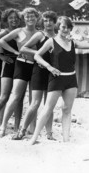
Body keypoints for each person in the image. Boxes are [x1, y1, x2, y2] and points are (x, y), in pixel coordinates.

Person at [29, 16, 89, 144]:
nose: (65, 30)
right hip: (56, 79)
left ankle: (66, 140)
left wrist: (82, 38)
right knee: (47, 109)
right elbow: (36, 55)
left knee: (67, 110)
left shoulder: (73, 42)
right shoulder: (51, 41)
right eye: (63, 27)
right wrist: (49, 67)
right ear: (58, 27)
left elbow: (87, 44)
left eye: (68, 27)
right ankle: (34, 138)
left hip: (71, 79)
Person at [12, 11, 58, 140]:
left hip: (52, 72)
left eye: (50, 20)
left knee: (49, 105)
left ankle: (49, 134)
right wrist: (38, 52)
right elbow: (23, 48)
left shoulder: (58, 37)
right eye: (45, 20)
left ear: (55, 22)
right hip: (38, 70)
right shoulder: (40, 35)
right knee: (35, 103)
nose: (48, 23)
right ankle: (22, 130)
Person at [0, 7, 39, 137]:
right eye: (27, 16)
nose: (30, 18)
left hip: (35, 66)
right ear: (24, 19)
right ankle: (3, 126)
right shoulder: (19, 31)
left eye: (32, 16)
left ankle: (31, 129)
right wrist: (16, 52)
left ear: (36, 18)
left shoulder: (39, 33)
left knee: (33, 100)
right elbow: (1, 41)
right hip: (21, 65)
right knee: (15, 96)